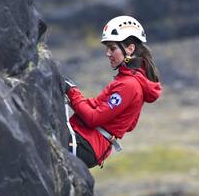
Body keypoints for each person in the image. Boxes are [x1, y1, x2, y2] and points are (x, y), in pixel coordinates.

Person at [64, 15, 162, 168]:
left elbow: (93, 118)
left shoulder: (129, 86)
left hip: (86, 145)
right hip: (85, 141)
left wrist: (72, 92)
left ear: (130, 49)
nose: (108, 53)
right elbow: (95, 104)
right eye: (108, 48)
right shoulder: (124, 80)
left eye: (112, 48)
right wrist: (69, 92)